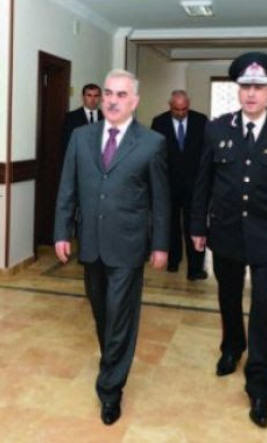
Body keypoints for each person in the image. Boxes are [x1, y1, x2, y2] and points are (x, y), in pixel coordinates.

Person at [190, 52, 267, 429]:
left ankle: (259, 385)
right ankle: (232, 348)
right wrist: (197, 225)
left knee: (263, 304)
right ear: (238, 91)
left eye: (259, 87)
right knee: (227, 296)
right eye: (245, 87)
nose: (251, 94)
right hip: (225, 232)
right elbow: (203, 181)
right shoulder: (217, 129)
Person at [54, 69, 169, 426]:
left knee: (121, 314)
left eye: (121, 95)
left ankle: (110, 389)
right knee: (102, 313)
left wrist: (161, 245)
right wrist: (61, 233)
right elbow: (67, 188)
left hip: (128, 245)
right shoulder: (81, 137)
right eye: (108, 93)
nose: (112, 100)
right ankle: (113, 361)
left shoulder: (151, 143)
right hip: (91, 244)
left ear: (134, 101)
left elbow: (161, 200)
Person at [151, 90, 208, 280]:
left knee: (195, 226)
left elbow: (206, 153)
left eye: (184, 109)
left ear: (188, 106)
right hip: (169, 184)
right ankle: (173, 262)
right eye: (176, 109)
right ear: (170, 106)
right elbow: (156, 155)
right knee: (171, 224)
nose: (181, 113)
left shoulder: (201, 121)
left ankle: (195, 269)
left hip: (195, 185)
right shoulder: (159, 122)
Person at [60, 83, 101, 158]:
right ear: (83, 97)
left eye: (96, 96)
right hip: (79, 159)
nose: (93, 99)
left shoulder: (107, 117)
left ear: (100, 98)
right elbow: (66, 143)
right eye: (89, 95)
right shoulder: (71, 117)